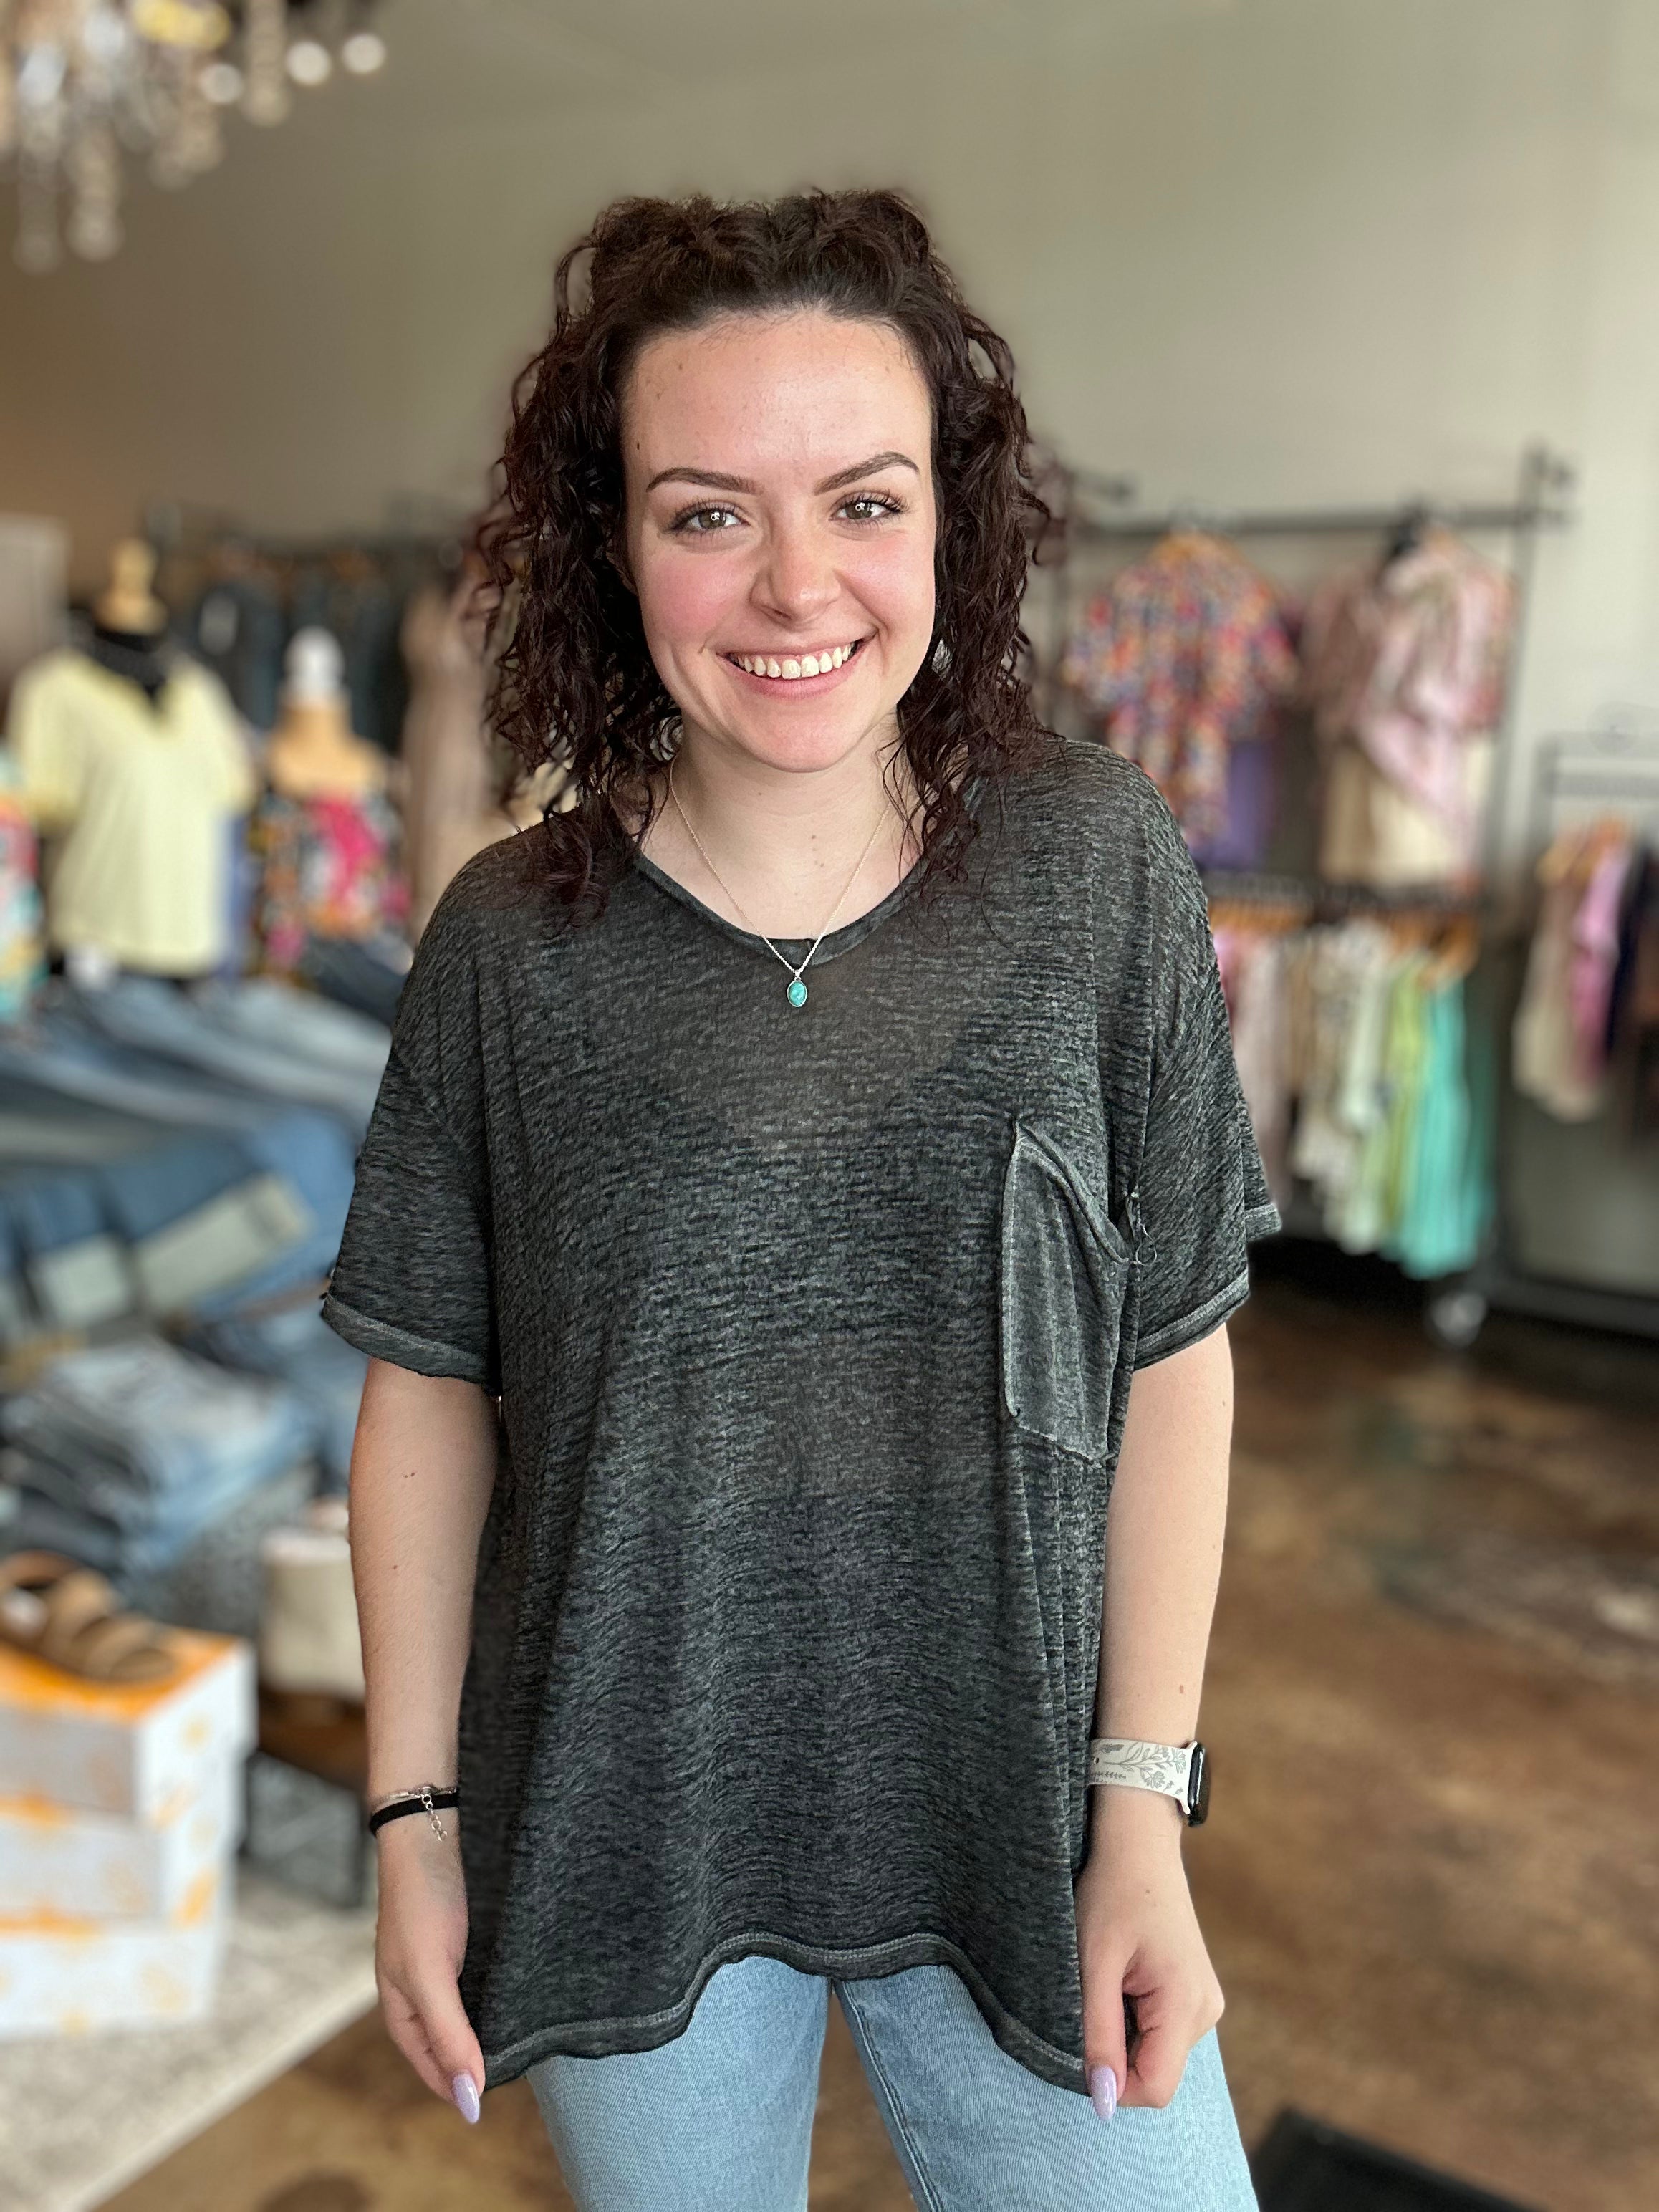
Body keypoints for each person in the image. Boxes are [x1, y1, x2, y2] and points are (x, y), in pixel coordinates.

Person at [324, 188, 1279, 2212]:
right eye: (706, 513)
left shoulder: (1095, 871)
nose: (793, 585)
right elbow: (428, 1391)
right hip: (620, 1819)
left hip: (1018, 1814)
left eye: (862, 502)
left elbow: (1172, 1357)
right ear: (611, 543)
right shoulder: (507, 947)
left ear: (951, 519)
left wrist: (1141, 1809)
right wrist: (412, 1819)